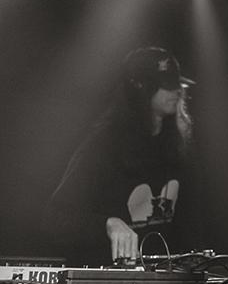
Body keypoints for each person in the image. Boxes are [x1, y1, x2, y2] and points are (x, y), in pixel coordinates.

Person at [47, 46, 203, 265]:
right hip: (108, 276)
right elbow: (57, 218)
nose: (177, 91)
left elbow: (191, 221)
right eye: (167, 85)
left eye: (177, 83)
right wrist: (108, 224)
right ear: (140, 86)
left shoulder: (178, 144)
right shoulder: (104, 145)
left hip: (163, 277)